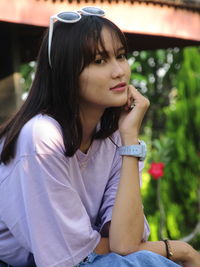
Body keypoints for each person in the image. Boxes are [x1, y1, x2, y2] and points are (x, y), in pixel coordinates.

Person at [0, 6, 199, 267]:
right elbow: (73, 255)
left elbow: (125, 244)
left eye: (121, 56)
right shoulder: (42, 135)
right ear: (66, 71)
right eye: (99, 61)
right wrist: (178, 249)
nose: (119, 71)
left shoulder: (116, 134)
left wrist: (130, 140)